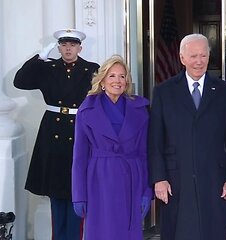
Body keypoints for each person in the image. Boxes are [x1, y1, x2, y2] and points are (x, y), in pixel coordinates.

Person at [148, 33, 226, 240]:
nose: (199, 61)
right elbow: (155, 140)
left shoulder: (225, 92)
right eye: (193, 56)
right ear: (182, 58)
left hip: (215, 179)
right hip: (176, 178)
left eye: (203, 56)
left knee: (213, 231)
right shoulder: (164, 91)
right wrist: (159, 178)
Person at [13, 29, 99, 240]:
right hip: (52, 132)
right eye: (63, 45)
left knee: (77, 190)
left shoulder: (92, 69)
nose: (68, 48)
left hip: (80, 129)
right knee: (55, 191)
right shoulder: (48, 68)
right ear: (58, 47)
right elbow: (20, 81)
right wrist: (40, 57)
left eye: (72, 45)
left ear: (80, 47)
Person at [71, 55, 152, 239]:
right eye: (112, 76)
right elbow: (79, 156)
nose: (118, 81)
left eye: (122, 76)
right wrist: (79, 194)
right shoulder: (87, 109)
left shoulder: (140, 109)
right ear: (102, 81)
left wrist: (147, 190)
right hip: (98, 181)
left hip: (131, 180)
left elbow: (144, 153)